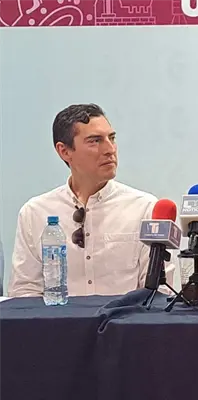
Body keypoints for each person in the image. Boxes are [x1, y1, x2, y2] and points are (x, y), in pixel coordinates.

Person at [8, 104, 161, 297]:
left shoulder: (144, 208)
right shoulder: (35, 213)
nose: (110, 149)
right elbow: (25, 292)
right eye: (95, 141)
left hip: (125, 317)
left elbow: (157, 294)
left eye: (112, 138)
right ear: (64, 151)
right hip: (56, 317)